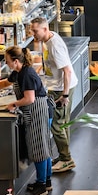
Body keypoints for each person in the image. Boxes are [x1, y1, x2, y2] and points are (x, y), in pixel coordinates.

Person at [0, 46, 57, 195]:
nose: (6, 63)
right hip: (38, 111)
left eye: (7, 60)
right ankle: (46, 182)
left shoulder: (26, 74)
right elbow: (6, 82)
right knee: (43, 147)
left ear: (16, 61)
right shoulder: (20, 71)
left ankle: (41, 186)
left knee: (39, 149)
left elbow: (30, 99)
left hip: (37, 111)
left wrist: (14, 104)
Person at [31, 17, 75, 173]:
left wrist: (65, 94)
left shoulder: (54, 46)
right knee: (63, 123)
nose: (33, 33)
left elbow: (67, 71)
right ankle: (65, 157)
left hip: (61, 89)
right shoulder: (49, 39)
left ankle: (66, 159)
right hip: (57, 86)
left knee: (57, 125)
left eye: (35, 31)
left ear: (44, 29)